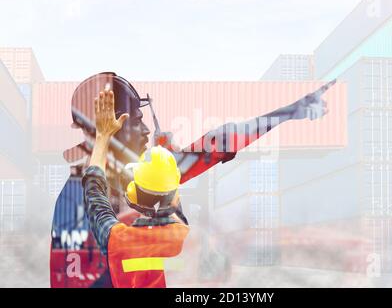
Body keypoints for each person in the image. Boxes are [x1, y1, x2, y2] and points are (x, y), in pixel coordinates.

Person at [50, 72, 335, 288]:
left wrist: (288, 112)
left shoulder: (131, 180)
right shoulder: (80, 199)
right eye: (137, 120)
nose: (146, 130)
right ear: (112, 129)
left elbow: (219, 142)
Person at [84, 88, 189, 288]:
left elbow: (94, 193)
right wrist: (165, 158)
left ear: (133, 193)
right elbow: (173, 199)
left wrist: (103, 136)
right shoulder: (186, 237)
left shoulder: (117, 239)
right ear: (174, 197)